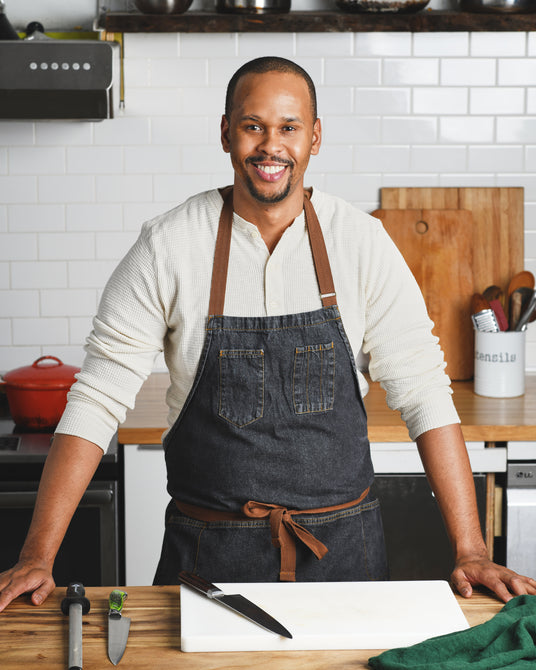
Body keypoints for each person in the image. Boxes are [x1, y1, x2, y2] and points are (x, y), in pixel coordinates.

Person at [1, 57, 535, 611]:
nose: (270, 145)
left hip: (345, 562)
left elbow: (425, 394)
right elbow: (95, 401)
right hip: (207, 565)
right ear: (227, 132)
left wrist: (470, 548)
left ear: (315, 137)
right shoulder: (168, 246)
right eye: (253, 125)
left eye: (289, 127)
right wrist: (38, 555)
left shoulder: (362, 242)